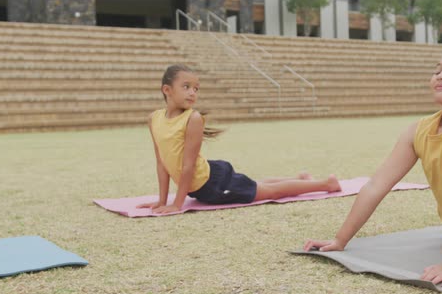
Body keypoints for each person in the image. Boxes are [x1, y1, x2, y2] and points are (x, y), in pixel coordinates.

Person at [303, 46, 442, 287]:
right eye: (437, 70)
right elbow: (376, 185)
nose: (440, 75)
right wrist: (339, 240)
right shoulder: (418, 130)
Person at [137, 64, 341, 214]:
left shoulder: (193, 118)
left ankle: (326, 184)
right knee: (255, 184)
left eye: (196, 88)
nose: (193, 92)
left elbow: (188, 166)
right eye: (186, 86)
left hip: (211, 184)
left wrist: (177, 204)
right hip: (204, 180)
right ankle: (300, 179)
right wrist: (161, 201)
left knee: (270, 192)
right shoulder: (154, 119)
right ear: (167, 90)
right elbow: (161, 163)